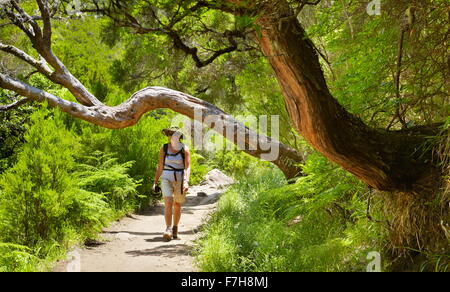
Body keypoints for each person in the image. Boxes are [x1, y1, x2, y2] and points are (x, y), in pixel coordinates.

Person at [152, 126, 191, 241]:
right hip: (166, 178)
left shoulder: (185, 149)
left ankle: (175, 228)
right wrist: (155, 182)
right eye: (170, 134)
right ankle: (168, 229)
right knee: (168, 202)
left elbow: (187, 167)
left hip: (180, 179)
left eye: (174, 134)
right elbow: (160, 166)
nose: (171, 136)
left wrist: (186, 182)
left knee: (177, 205)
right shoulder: (163, 148)